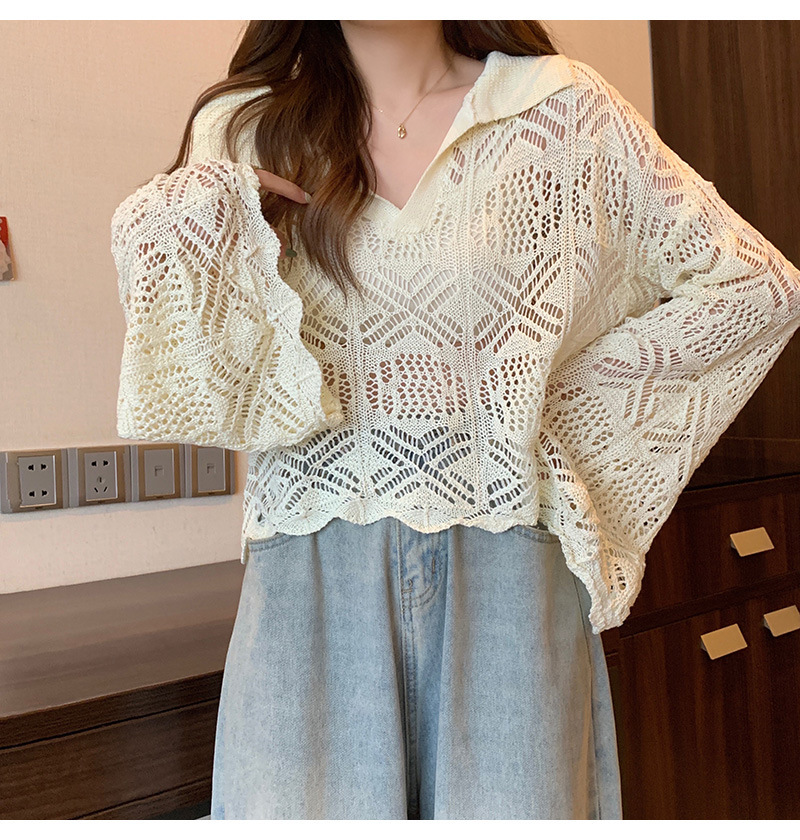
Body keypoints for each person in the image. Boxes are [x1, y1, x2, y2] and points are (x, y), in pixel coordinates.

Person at [110, 20, 800, 819]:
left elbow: (757, 289)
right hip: (310, 569)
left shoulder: (563, 111)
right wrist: (188, 223)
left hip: (508, 573)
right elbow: (211, 387)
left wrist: (540, 419)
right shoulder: (245, 128)